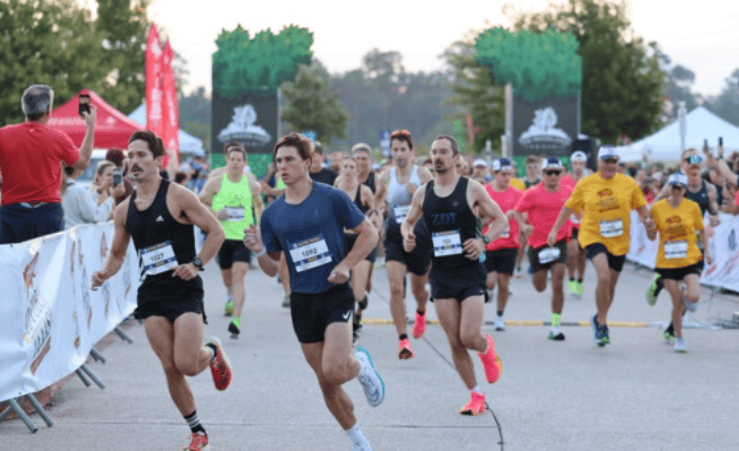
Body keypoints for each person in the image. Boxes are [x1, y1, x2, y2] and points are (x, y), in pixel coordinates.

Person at [90, 130, 231, 451]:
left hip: (184, 290)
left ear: (158, 161)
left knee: (187, 364)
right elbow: (117, 254)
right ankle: (198, 433)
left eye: (142, 155)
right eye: (131, 155)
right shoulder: (124, 210)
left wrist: (196, 263)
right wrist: (105, 273)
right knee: (170, 367)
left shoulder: (179, 196)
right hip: (152, 294)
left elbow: (216, 232)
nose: (134, 161)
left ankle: (211, 352)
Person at [243, 133, 385, 451]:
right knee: (326, 380)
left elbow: (370, 234)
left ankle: (361, 366)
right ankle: (359, 442)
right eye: (279, 161)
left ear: (307, 162)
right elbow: (271, 268)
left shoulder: (331, 198)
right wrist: (258, 250)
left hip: (334, 292)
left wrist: (346, 264)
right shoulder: (273, 214)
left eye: (289, 160)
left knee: (335, 368)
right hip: (302, 301)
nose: (283, 166)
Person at [401, 135, 506, 415]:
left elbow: (502, 219)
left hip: (470, 271)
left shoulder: (471, 188)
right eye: (434, 152)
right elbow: (407, 223)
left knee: (469, 336)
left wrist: (483, 241)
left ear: (456, 158)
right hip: (441, 274)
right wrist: (408, 236)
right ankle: (476, 395)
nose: (437, 157)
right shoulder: (423, 193)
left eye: (443, 152)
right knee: (454, 341)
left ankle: (486, 348)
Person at [548, 146, 648, 347]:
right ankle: (602, 324)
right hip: (594, 236)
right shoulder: (586, 183)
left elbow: (641, 208)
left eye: (614, 161)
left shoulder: (628, 183)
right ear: (598, 162)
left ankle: (598, 317)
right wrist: (555, 229)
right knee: (603, 276)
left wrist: (649, 223)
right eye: (606, 161)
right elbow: (570, 206)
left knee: (610, 287)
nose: (610, 165)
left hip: (619, 241)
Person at [0, 84, 96, 244]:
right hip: (47, 212)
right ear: (48, 110)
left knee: (10, 259)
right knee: (49, 259)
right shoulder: (57, 138)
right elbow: (83, 162)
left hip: (12, 212)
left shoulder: (3, 135)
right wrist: (91, 126)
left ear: (24, 108)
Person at [645, 148, 720, 340]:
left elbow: (715, 212)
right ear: (683, 164)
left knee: (689, 292)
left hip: (696, 247)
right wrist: (651, 222)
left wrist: (716, 219)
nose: (694, 164)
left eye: (697, 160)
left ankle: (672, 327)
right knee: (677, 291)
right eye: (689, 160)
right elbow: (652, 209)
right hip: (674, 244)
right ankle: (660, 283)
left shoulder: (709, 189)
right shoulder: (672, 185)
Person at [373, 129, 434, 359]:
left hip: (419, 238)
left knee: (419, 290)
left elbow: (437, 201)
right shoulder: (385, 177)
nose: (399, 154)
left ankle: (421, 311)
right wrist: (376, 216)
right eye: (395, 150)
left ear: (411, 151)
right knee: (396, 288)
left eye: (403, 150)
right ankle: (403, 340)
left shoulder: (423, 174)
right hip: (395, 237)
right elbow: (377, 201)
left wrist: (420, 194)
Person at [198, 142, 263, 338]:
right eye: (232, 159)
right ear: (227, 161)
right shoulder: (216, 182)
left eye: (239, 160)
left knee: (238, 275)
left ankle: (236, 319)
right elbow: (200, 202)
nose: (235, 163)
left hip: (244, 237)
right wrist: (216, 213)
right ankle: (229, 296)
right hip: (222, 237)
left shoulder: (252, 185)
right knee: (227, 277)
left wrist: (260, 229)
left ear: (244, 162)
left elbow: (259, 207)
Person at [515, 158, 573, 340]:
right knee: (540, 287)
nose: (553, 176)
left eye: (557, 172)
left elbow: (580, 208)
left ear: (561, 174)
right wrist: (523, 226)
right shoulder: (533, 193)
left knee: (558, 282)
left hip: (559, 241)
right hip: (538, 244)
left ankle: (555, 326)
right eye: (549, 172)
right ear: (543, 174)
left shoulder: (568, 191)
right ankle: (539, 274)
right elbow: (517, 211)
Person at [335, 156, 377, 336]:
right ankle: (349, 328)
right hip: (342, 241)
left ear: (357, 170)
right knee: (343, 287)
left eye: (352, 167)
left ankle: (362, 301)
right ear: (341, 169)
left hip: (361, 242)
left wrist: (374, 222)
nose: (348, 170)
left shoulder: (364, 191)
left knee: (357, 293)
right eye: (345, 166)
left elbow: (374, 212)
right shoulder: (335, 190)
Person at [483, 158, 524, 331]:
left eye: (509, 174)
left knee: (503, 283)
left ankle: (499, 316)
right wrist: (496, 219)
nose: (506, 178)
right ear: (494, 173)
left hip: (509, 244)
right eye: (503, 174)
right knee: (490, 282)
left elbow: (524, 215)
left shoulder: (517, 194)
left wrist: (523, 223)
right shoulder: (484, 192)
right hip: (488, 243)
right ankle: (488, 291)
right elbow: (478, 218)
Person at [561, 151, 589, 297]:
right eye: (576, 164)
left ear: (585, 165)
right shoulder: (564, 181)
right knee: (572, 252)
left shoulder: (590, 181)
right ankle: (571, 278)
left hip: (585, 223)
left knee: (582, 255)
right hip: (569, 223)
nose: (578, 166)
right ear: (572, 164)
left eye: (581, 164)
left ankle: (580, 281)